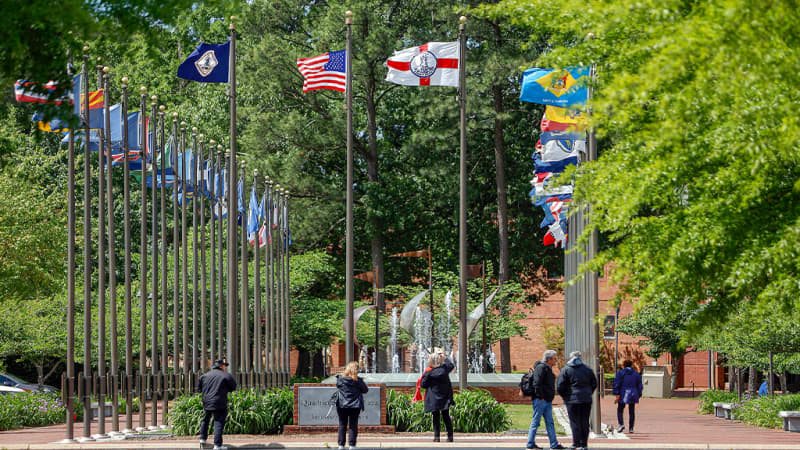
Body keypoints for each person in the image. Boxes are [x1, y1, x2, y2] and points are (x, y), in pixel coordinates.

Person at [556, 351, 597, 449]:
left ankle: (576, 443)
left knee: (574, 421)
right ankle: (584, 444)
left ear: (570, 358)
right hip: (586, 399)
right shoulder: (587, 369)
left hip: (572, 399)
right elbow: (594, 383)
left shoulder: (566, 369)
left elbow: (560, 386)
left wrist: (566, 396)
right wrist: (588, 393)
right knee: (584, 421)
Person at [526, 350, 566, 449]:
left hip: (546, 401)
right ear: (549, 359)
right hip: (540, 401)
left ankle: (554, 444)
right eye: (555, 358)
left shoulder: (547, 368)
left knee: (550, 422)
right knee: (535, 422)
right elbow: (537, 383)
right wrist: (541, 397)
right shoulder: (541, 368)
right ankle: (530, 444)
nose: (556, 360)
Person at [197, 358, 237, 450]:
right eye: (224, 366)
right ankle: (217, 445)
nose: (225, 367)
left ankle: (202, 438)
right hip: (219, 401)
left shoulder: (204, 376)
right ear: (221, 366)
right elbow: (233, 387)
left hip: (207, 401)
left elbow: (199, 389)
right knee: (218, 422)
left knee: (206, 419)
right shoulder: (226, 376)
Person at [420, 352, 455, 442]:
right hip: (445, 397)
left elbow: (423, 385)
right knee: (446, 416)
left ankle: (436, 437)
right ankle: (450, 436)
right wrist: (445, 357)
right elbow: (451, 365)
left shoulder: (429, 373)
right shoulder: (444, 369)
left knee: (435, 417)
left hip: (433, 398)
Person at [335, 361, 369, 450]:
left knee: (342, 424)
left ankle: (341, 445)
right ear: (356, 370)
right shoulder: (358, 381)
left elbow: (338, 386)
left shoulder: (340, 379)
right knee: (353, 425)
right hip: (355, 405)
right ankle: (352, 445)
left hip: (342, 405)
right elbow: (365, 390)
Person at [612, 360, 643, 433]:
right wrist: (639, 394)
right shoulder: (636, 374)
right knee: (631, 411)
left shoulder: (621, 373)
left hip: (623, 392)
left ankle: (621, 424)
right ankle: (631, 428)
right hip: (633, 393)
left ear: (624, 365)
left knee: (620, 409)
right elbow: (640, 385)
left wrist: (616, 392)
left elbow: (617, 383)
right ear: (631, 365)